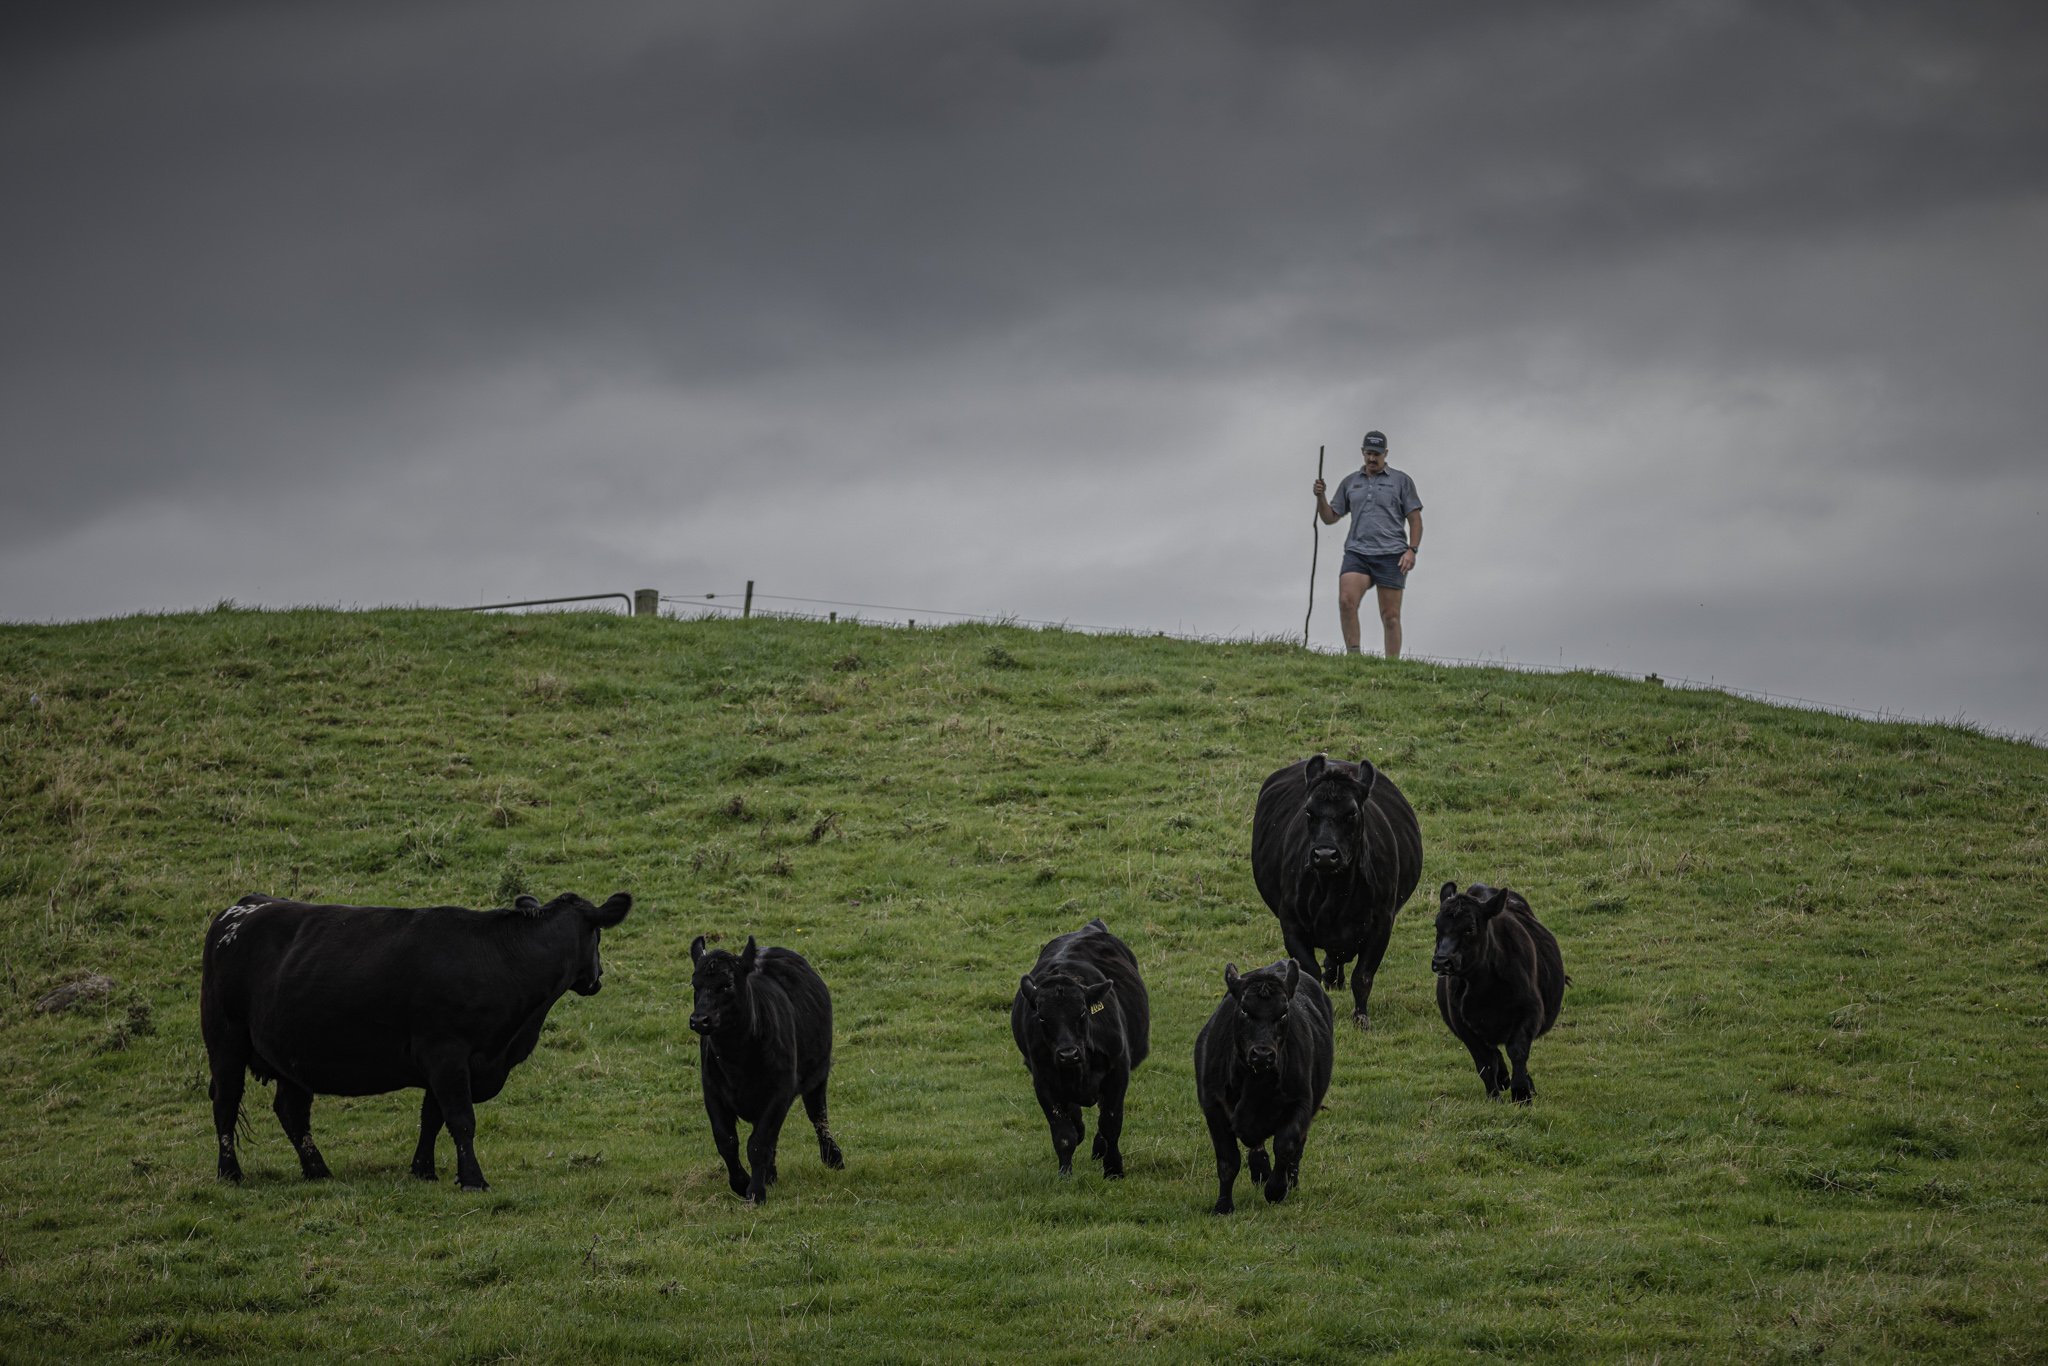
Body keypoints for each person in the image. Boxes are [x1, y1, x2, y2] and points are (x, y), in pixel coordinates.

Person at [1312, 430, 1423, 658]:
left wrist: (1412, 550)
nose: (1372, 459)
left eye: (1377, 454)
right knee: (1346, 601)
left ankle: (1391, 666)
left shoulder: (1401, 481)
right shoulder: (1350, 482)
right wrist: (1320, 497)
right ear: (1362, 452)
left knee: (1390, 615)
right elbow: (1330, 517)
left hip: (1392, 555)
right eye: (1368, 453)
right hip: (1358, 552)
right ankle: (1354, 658)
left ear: (1386, 454)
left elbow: (1415, 520)